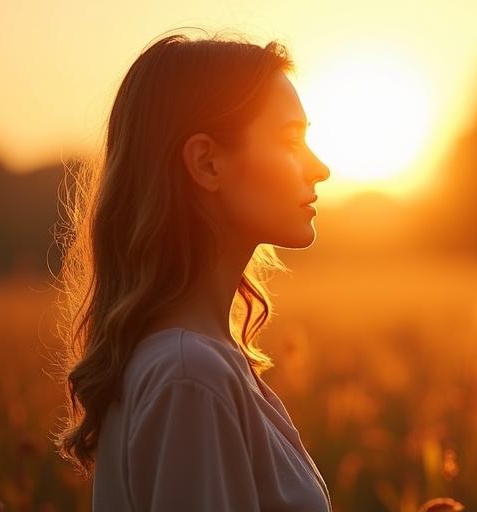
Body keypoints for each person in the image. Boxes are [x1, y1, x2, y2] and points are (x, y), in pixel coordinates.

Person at [52, 29, 332, 511]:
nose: (319, 167)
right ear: (206, 163)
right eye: (291, 140)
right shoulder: (190, 376)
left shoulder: (200, 364)